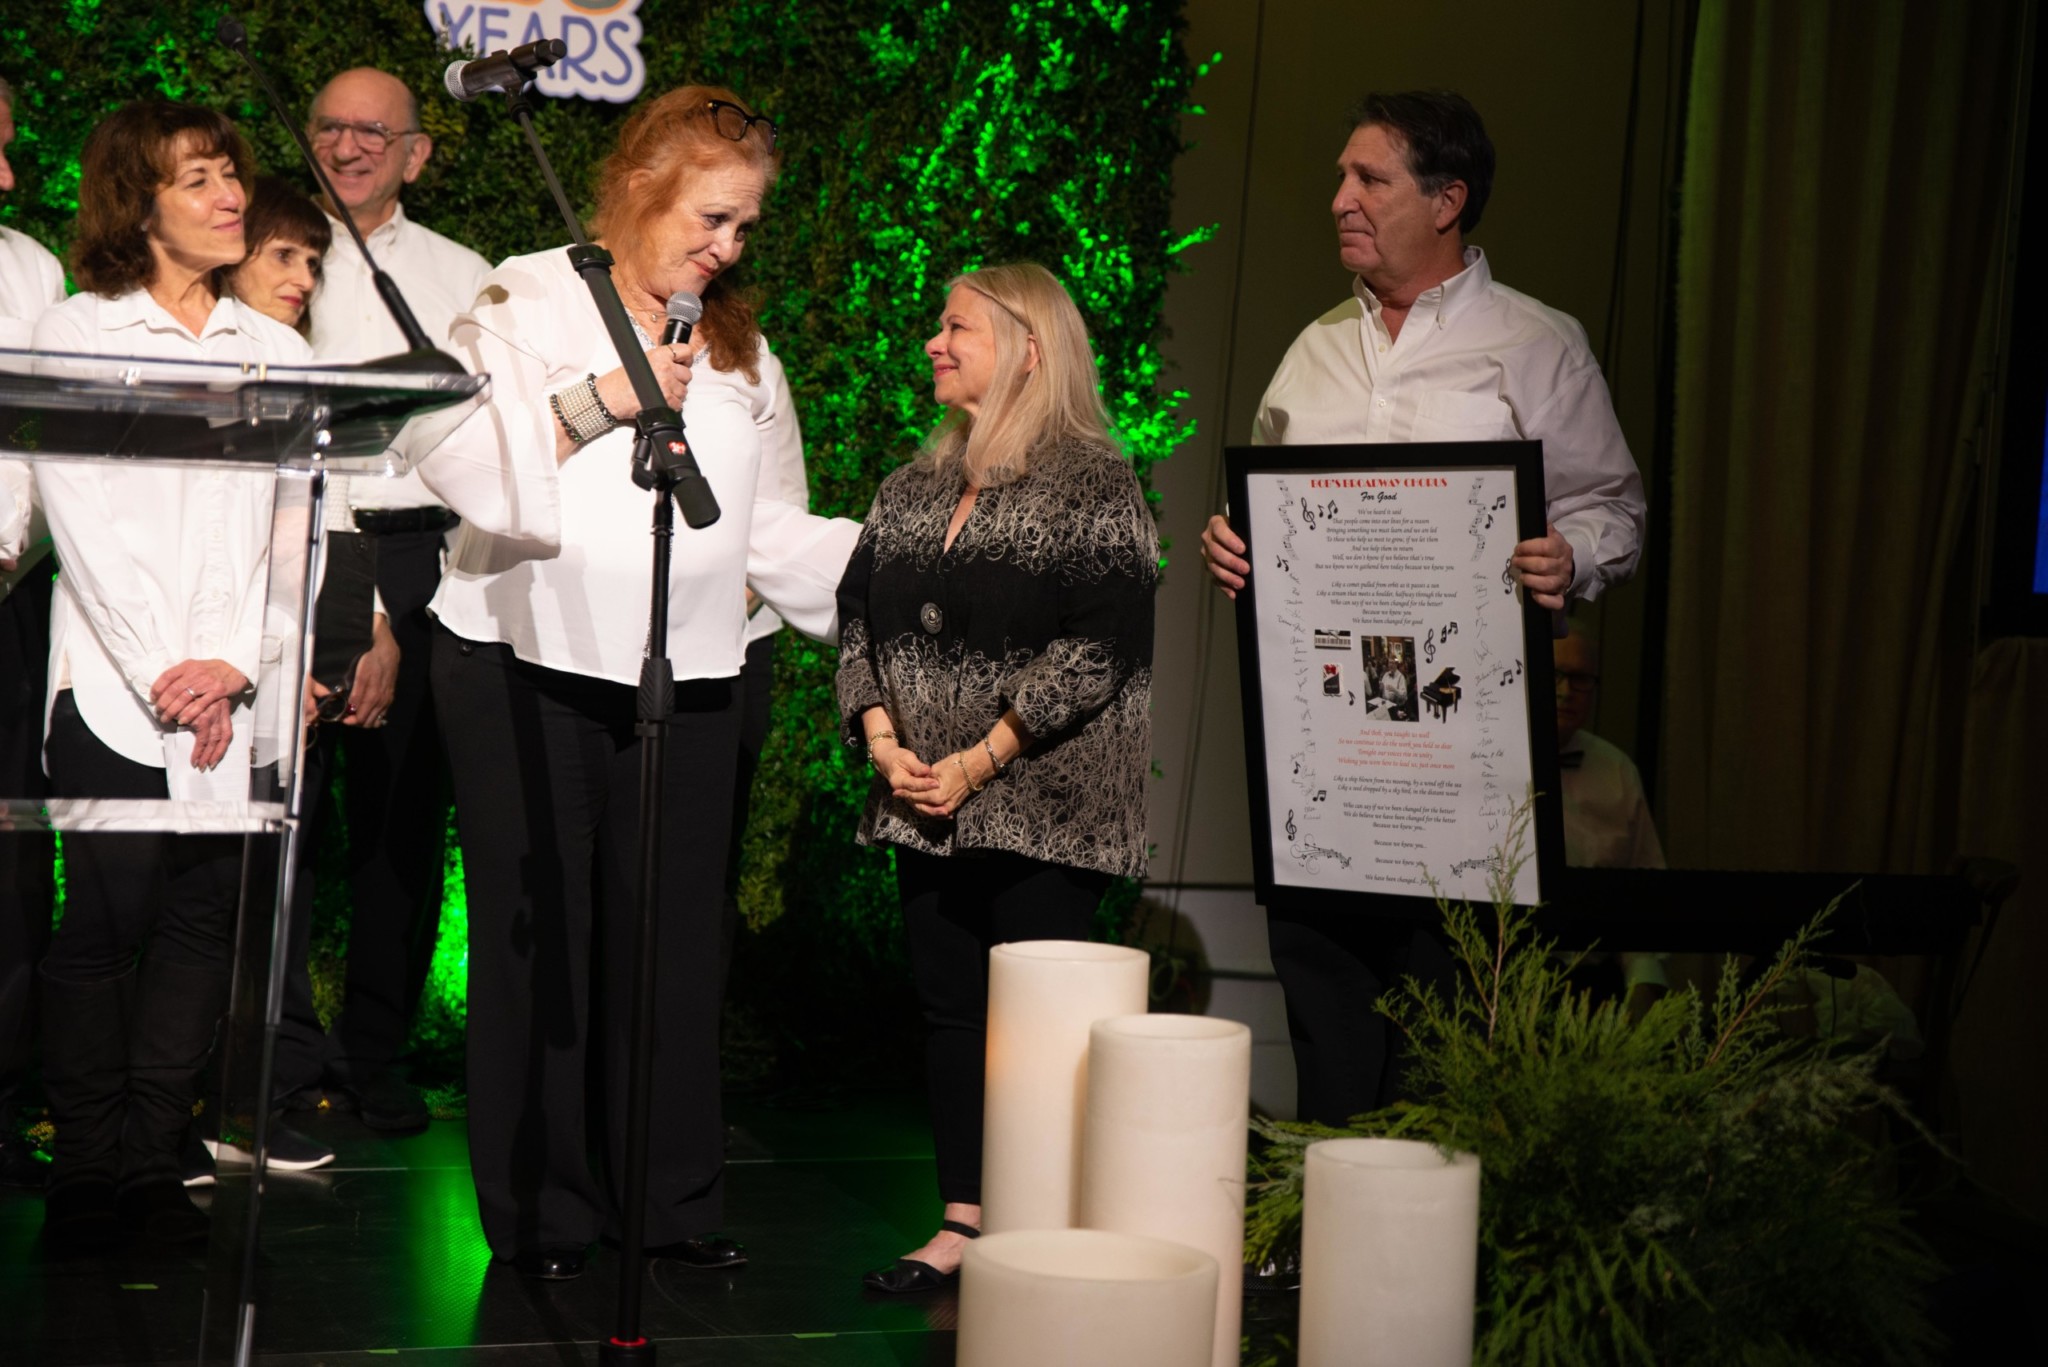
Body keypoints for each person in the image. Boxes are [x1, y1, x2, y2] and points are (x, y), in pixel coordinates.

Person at [427, 85, 859, 1282]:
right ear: (638, 192)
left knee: (671, 939)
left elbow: (772, 522)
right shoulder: (523, 296)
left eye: (745, 227)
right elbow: (458, 455)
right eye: (712, 218)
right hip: (522, 658)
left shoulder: (738, 345)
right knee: (543, 941)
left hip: (693, 668)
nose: (727, 248)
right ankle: (546, 1211)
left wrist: (906, 569)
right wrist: (608, 401)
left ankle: (663, 1201)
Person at [1198, 91, 1648, 1134]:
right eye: (1341, 177)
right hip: (1325, 750)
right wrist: (1237, 537)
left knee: (1444, 1019)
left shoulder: (1535, 343)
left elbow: (1610, 503)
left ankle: (1420, 1263)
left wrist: (1568, 552)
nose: (1338, 199)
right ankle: (1315, 1230)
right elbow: (1269, 504)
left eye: (1369, 180)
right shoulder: (1312, 350)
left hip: (1459, 765)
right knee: (1323, 998)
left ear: (1446, 200)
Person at [839, 263, 1159, 1294]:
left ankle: (1042, 1225)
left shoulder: (1094, 480)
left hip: (1046, 806)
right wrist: (883, 739)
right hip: (922, 803)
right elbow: (857, 619)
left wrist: (978, 759)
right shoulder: (912, 483)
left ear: (1028, 347)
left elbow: (1101, 643)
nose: (933, 341)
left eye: (957, 327)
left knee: (1040, 1029)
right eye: (936, 324)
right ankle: (964, 1219)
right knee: (949, 1012)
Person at [28, 99, 312, 1251]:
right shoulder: (75, 331)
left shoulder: (278, 348)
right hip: (110, 685)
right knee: (99, 922)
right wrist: (164, 669)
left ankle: (155, 1160)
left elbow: (299, 530)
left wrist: (236, 664)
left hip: (230, 694)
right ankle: (84, 1165)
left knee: (200, 926)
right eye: (198, 179)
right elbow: (80, 514)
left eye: (232, 174)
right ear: (136, 201)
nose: (230, 196)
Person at [290, 68, 492, 1132]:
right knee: (277, 814)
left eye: (376, 130)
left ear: (417, 153)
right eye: (331, 125)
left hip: (420, 562)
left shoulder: (469, 277)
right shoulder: (264, 257)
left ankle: (372, 1055)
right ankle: (276, 1057)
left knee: (402, 820)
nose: (350, 144)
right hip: (290, 550)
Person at [0, 72, 66, 1191]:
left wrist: (6, 552)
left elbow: (45, 444)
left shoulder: (30, 269)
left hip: (5, 598)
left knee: (10, 866)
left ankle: (3, 1104)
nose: (9, 177)